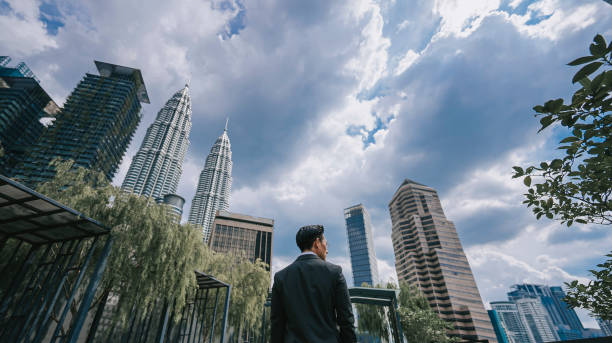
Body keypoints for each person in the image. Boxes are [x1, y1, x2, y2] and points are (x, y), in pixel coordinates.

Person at [271, 225, 357, 343]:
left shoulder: (281, 277)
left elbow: (277, 324)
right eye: (326, 243)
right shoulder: (335, 272)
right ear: (317, 243)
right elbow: (346, 320)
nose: (327, 249)